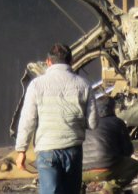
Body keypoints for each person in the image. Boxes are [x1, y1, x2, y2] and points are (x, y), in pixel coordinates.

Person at [15, 43, 98, 194]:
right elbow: (93, 123)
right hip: (73, 150)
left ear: (48, 62)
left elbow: (28, 120)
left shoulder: (36, 85)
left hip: (47, 151)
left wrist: (21, 150)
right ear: (71, 61)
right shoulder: (84, 85)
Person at [82, 96, 138, 193]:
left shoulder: (85, 124)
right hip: (105, 169)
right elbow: (128, 150)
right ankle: (108, 190)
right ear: (112, 108)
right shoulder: (117, 122)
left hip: (83, 171)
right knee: (134, 166)